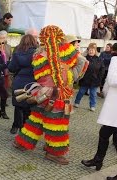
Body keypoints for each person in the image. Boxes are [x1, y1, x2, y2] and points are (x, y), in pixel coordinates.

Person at [13, 25, 82, 165]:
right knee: (57, 123)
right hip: (59, 95)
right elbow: (79, 61)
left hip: (42, 93)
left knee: (37, 119)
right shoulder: (66, 51)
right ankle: (53, 153)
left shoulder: (38, 56)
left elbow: (38, 75)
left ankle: (22, 143)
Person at [81, 43, 117, 179]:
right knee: (105, 133)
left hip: (115, 109)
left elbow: (113, 80)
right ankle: (98, 160)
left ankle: (98, 160)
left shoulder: (115, 60)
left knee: (107, 134)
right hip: (114, 106)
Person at [8, 34, 37, 134]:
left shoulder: (17, 53)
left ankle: (18, 127)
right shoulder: (37, 54)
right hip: (33, 83)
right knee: (29, 107)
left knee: (18, 106)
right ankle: (27, 130)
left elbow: (11, 68)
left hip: (19, 81)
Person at [74, 43, 105, 112]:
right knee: (81, 92)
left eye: (93, 50)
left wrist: (99, 78)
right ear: (88, 50)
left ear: (95, 51)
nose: (91, 51)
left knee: (93, 94)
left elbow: (102, 69)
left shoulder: (99, 59)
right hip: (85, 79)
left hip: (94, 80)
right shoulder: (84, 58)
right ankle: (77, 102)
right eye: (90, 50)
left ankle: (92, 106)